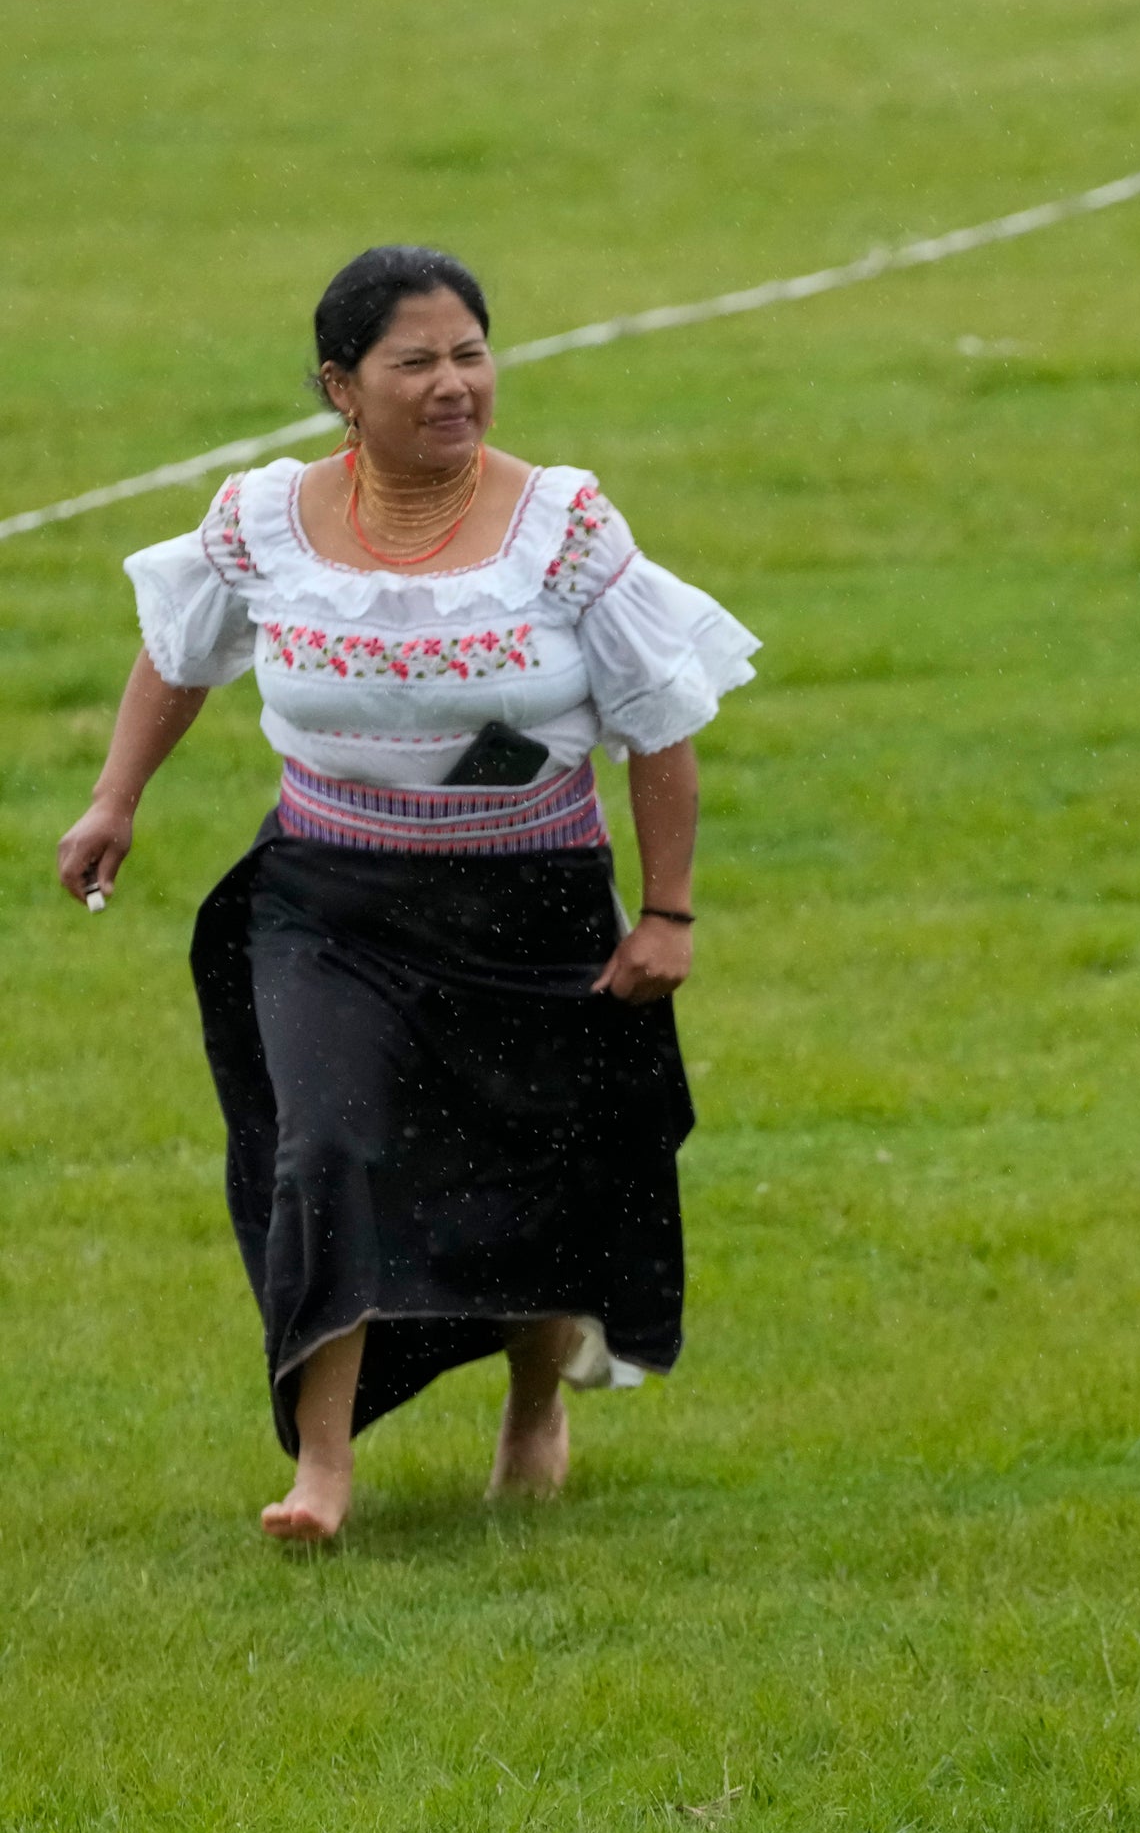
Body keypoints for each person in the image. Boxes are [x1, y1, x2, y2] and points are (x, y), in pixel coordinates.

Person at [54, 245, 759, 1544]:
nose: (456, 384)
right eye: (417, 362)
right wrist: (116, 796)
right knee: (326, 1146)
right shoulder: (263, 520)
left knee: (546, 1168)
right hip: (329, 903)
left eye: (472, 353)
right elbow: (181, 650)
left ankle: (534, 1407)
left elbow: (662, 717)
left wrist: (667, 910)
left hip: (534, 900)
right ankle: (322, 1467)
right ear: (341, 384)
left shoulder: (566, 525)